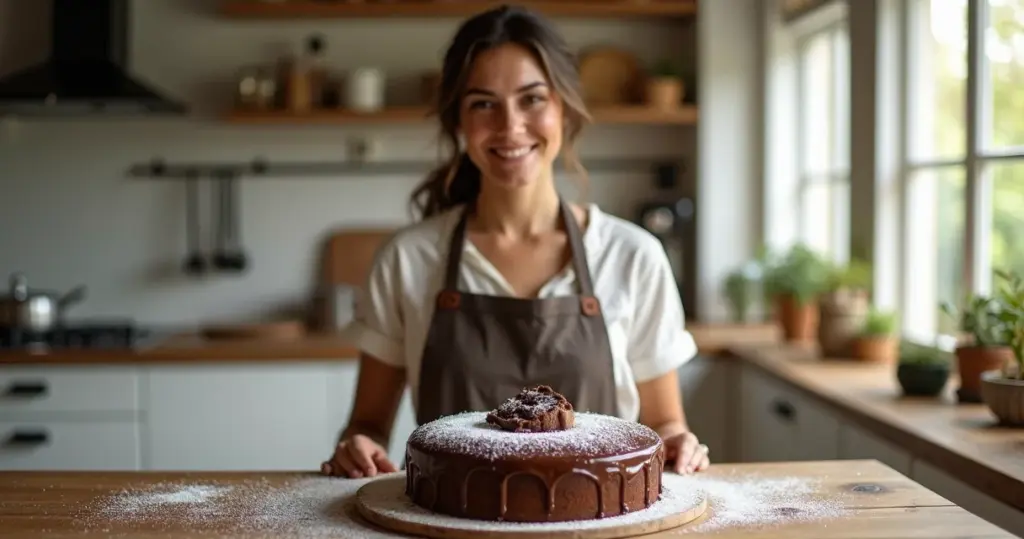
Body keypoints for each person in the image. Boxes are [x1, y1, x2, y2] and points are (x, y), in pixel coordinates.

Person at [320, 4, 709, 479]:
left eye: (532, 99)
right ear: (458, 122)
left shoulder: (633, 256)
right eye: (483, 103)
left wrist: (677, 442)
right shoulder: (408, 260)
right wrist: (357, 447)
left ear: (564, 109)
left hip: (601, 526)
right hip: (447, 526)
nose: (510, 126)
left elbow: (666, 422)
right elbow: (366, 426)